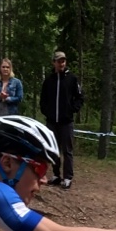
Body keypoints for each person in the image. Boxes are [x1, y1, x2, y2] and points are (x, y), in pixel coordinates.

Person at [39, 51, 84, 190]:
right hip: (52, 122)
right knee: (53, 149)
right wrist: (47, 112)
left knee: (67, 150)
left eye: (63, 61)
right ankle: (56, 175)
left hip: (66, 122)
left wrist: (72, 109)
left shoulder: (72, 79)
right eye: (59, 61)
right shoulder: (49, 80)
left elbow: (80, 97)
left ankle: (68, 177)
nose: (61, 64)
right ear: (54, 63)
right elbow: (43, 99)